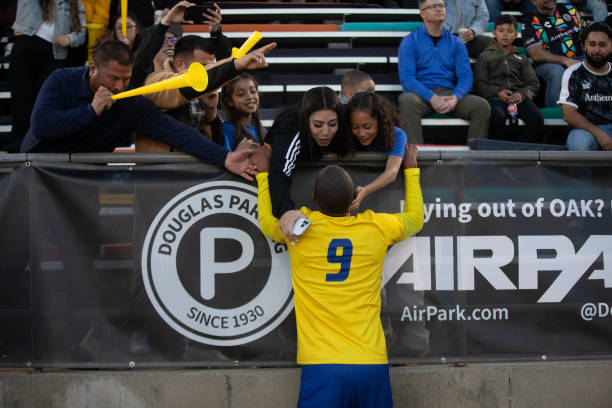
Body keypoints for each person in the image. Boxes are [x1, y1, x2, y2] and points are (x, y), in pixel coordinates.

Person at [253, 143, 424, 408]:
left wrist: (263, 174)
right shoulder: (376, 226)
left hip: (323, 365)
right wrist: (412, 171)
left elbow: (266, 220)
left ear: (313, 198)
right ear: (355, 196)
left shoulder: (299, 229)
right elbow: (415, 218)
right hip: (371, 361)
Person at [19, 40, 260, 181]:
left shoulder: (130, 102)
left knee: (82, 246)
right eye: (113, 78)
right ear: (93, 68)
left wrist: (224, 157)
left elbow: (174, 131)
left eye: (126, 79)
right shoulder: (61, 80)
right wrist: (92, 110)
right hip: (40, 174)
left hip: (84, 180)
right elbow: (42, 125)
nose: (119, 86)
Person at [138, 37, 275, 151]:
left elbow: (207, 145)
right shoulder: (156, 81)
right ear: (180, 65)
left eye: (211, 66)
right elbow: (185, 84)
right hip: (159, 178)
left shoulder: (200, 97)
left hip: (192, 177)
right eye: (203, 66)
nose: (208, 72)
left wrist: (211, 114)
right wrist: (235, 65)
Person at [397, 0, 490, 144]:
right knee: (406, 101)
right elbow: (407, 79)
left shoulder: (456, 42)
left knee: (481, 106)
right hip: (422, 95)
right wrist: (432, 97)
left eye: (441, 5)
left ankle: (475, 159)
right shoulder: (410, 41)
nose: (439, 9)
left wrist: (456, 97)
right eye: (433, 6)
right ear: (423, 13)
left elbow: (466, 77)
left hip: (449, 93)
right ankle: (415, 157)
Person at [267, 86, 348, 241]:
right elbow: (280, 171)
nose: (325, 132)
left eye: (332, 124)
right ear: (305, 120)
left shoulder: (346, 119)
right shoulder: (290, 127)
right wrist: (285, 211)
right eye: (317, 125)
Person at [7, 0, 86, 153]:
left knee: (43, 103)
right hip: (25, 48)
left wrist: (70, 38)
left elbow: (81, 33)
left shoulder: (76, 5)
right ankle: (17, 146)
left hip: (53, 55)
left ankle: (38, 146)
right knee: (21, 101)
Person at [474, 15, 544, 143]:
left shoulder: (521, 58)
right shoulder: (485, 57)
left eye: (510, 31)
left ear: (516, 34)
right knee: (497, 117)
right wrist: (497, 93)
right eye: (501, 31)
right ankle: (501, 153)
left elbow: (533, 84)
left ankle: (525, 153)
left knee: (536, 118)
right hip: (494, 99)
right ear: (494, 33)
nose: (505, 35)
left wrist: (522, 95)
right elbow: (480, 86)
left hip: (518, 99)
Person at [345, 91, 408, 212]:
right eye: (355, 127)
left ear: (381, 121)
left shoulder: (397, 135)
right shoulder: (346, 134)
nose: (361, 133)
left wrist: (365, 191)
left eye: (367, 127)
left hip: (385, 201)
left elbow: (392, 171)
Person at [522, 0, 586, 107]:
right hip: (548, 64)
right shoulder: (530, 21)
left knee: (594, 66)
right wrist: (566, 61)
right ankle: (554, 114)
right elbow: (536, 54)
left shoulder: (570, 9)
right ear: (533, 1)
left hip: (579, 57)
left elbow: (585, 34)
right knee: (557, 72)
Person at [559, 22, 612, 151]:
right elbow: (569, 114)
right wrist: (600, 135)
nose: (597, 50)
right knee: (578, 143)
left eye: (602, 45)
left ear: (611, 46)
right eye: (592, 44)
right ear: (584, 46)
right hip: (586, 130)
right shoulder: (573, 73)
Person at [221, 73, 267, 151]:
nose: (250, 97)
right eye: (241, 94)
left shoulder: (263, 132)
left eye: (253, 91)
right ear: (229, 101)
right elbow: (226, 159)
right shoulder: (227, 129)